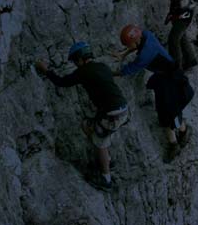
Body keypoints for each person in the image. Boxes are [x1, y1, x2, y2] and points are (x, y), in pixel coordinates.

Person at [35, 42, 128, 192]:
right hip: (121, 109)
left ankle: (106, 178)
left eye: (74, 61)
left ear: (80, 59)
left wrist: (45, 70)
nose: (75, 64)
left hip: (112, 114)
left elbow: (61, 82)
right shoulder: (102, 66)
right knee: (88, 126)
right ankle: (107, 161)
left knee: (100, 143)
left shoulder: (83, 71)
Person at [116, 24, 194, 163]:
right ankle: (181, 133)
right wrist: (124, 53)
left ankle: (177, 139)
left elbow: (130, 69)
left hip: (170, 81)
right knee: (167, 111)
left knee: (171, 113)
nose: (128, 49)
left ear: (135, 41)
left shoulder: (145, 55)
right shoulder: (146, 35)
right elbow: (135, 47)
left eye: (128, 46)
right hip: (166, 78)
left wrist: (113, 73)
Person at [119, 0, 197, 70]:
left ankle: (176, 68)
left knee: (173, 39)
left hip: (184, 12)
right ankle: (191, 60)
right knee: (180, 34)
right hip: (182, 10)